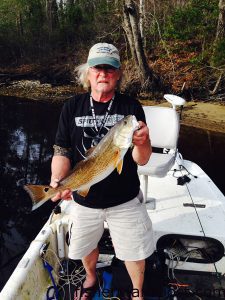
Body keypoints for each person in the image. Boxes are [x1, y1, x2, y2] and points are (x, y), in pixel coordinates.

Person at [50, 43, 154, 300]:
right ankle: (91, 277)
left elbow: (142, 160)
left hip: (125, 198)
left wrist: (142, 142)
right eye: (98, 67)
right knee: (86, 247)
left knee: (134, 252)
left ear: (118, 74)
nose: (103, 73)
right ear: (88, 73)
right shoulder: (71, 107)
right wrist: (58, 181)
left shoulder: (131, 108)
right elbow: (62, 151)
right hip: (85, 198)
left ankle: (137, 292)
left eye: (110, 68)